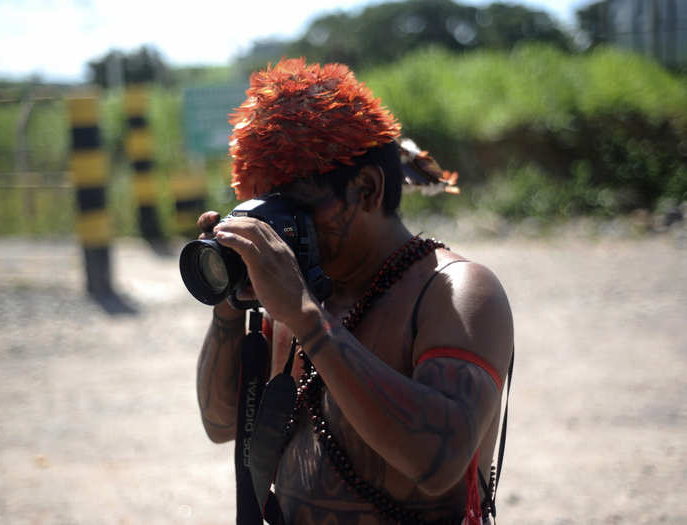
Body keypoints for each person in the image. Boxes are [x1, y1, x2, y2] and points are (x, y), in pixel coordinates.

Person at [195, 58, 514, 524]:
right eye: (264, 209)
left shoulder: (455, 291)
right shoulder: (298, 289)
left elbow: (438, 460)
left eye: (294, 207)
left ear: (366, 189)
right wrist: (229, 294)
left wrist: (308, 320)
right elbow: (222, 423)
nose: (278, 229)